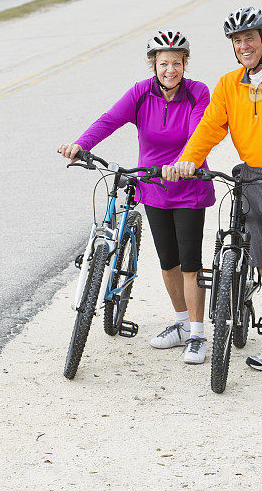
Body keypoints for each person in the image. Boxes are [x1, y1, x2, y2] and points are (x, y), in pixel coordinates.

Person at [163, 7, 262, 386]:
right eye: (237, 41)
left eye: (249, 38)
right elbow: (209, 128)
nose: (243, 45)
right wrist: (188, 159)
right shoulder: (228, 84)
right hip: (250, 182)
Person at [58, 29, 215, 364]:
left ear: (185, 63)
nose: (170, 69)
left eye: (176, 62)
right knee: (167, 261)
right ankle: (182, 324)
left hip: (188, 187)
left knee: (190, 263)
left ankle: (199, 335)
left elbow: (201, 133)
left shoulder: (198, 93)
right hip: (152, 188)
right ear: (153, 65)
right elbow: (109, 120)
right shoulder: (141, 94)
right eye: (163, 63)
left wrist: (183, 163)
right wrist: (81, 145)